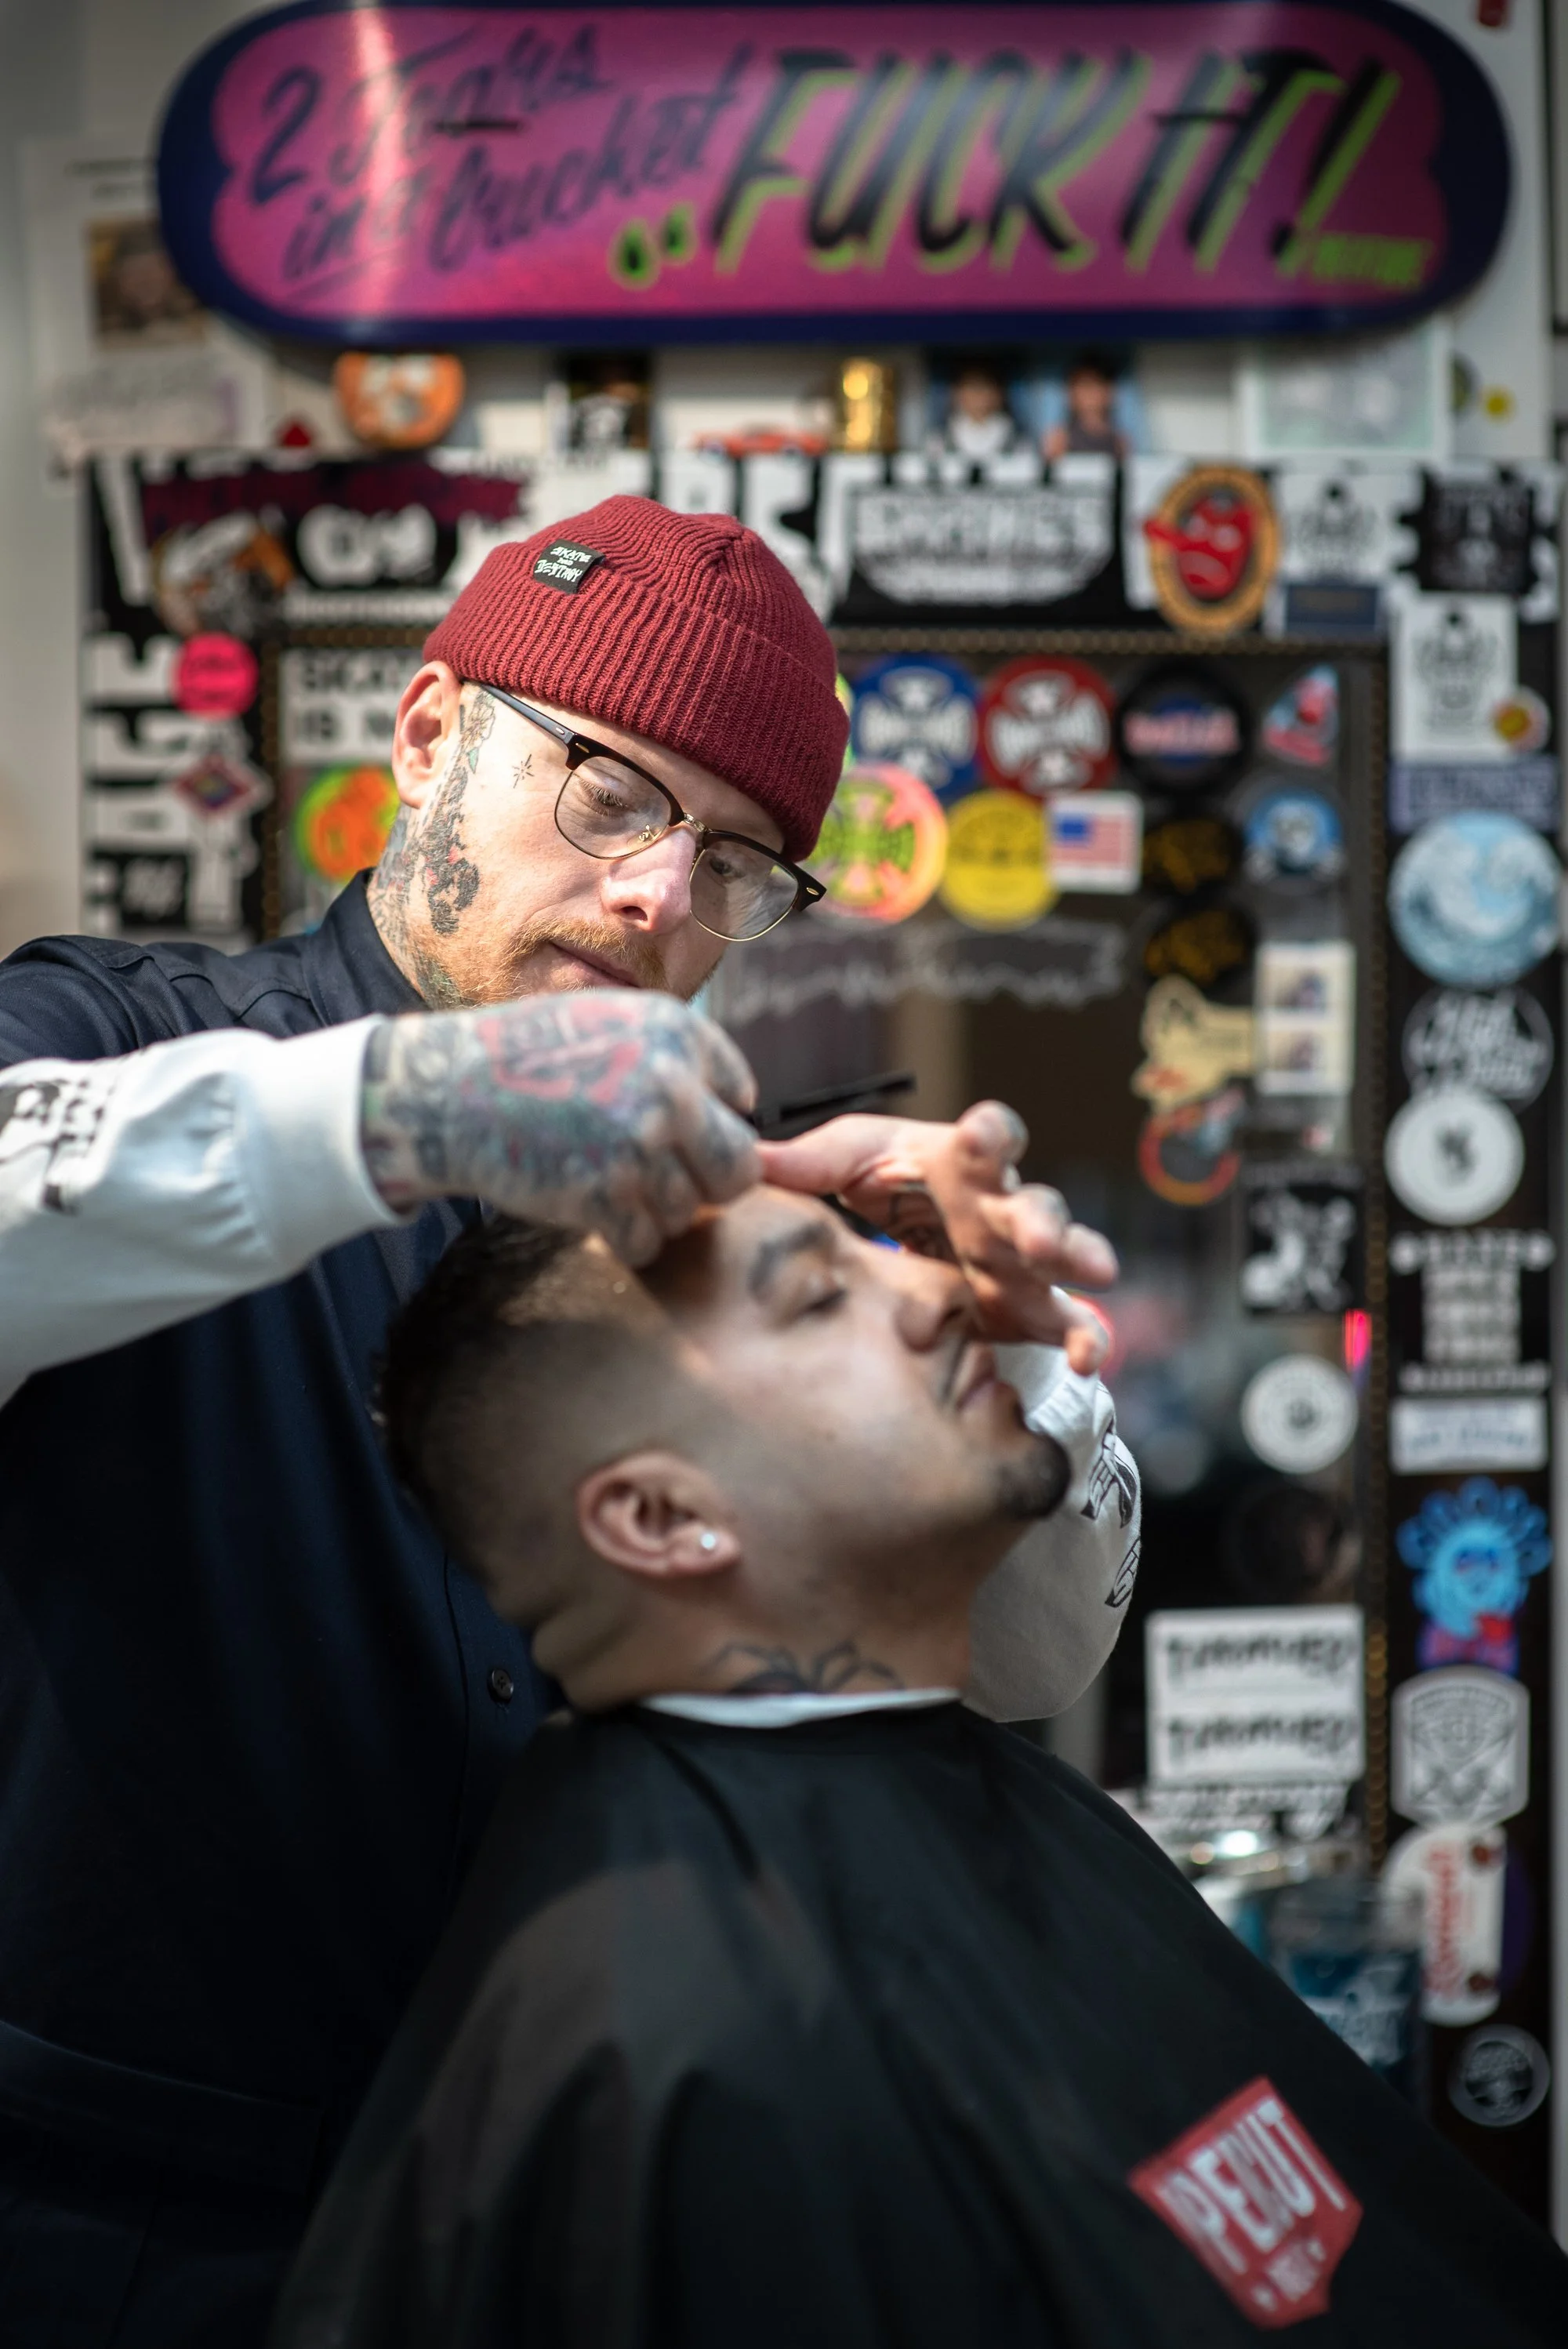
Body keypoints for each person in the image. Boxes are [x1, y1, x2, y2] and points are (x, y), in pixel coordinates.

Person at [0, 496, 1134, 2344]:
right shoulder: (123, 1036)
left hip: (592, 2230)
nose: (662, 903)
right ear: (430, 738)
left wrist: (998, 1354)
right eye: (611, 794)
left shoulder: (731, 1205)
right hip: (124, 2243)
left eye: (744, 864)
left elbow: (1007, 1669)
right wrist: (396, 1113)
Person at [273, 1194, 1568, 2349]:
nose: (938, 1290)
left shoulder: (965, 1789)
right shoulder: (688, 2057)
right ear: (662, 1518)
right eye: (823, 1295)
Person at [1043, 350, 1129, 462]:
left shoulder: (1119, 442)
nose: (1090, 395)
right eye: (1084, 386)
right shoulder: (1060, 439)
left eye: (1096, 385)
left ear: (1110, 391)